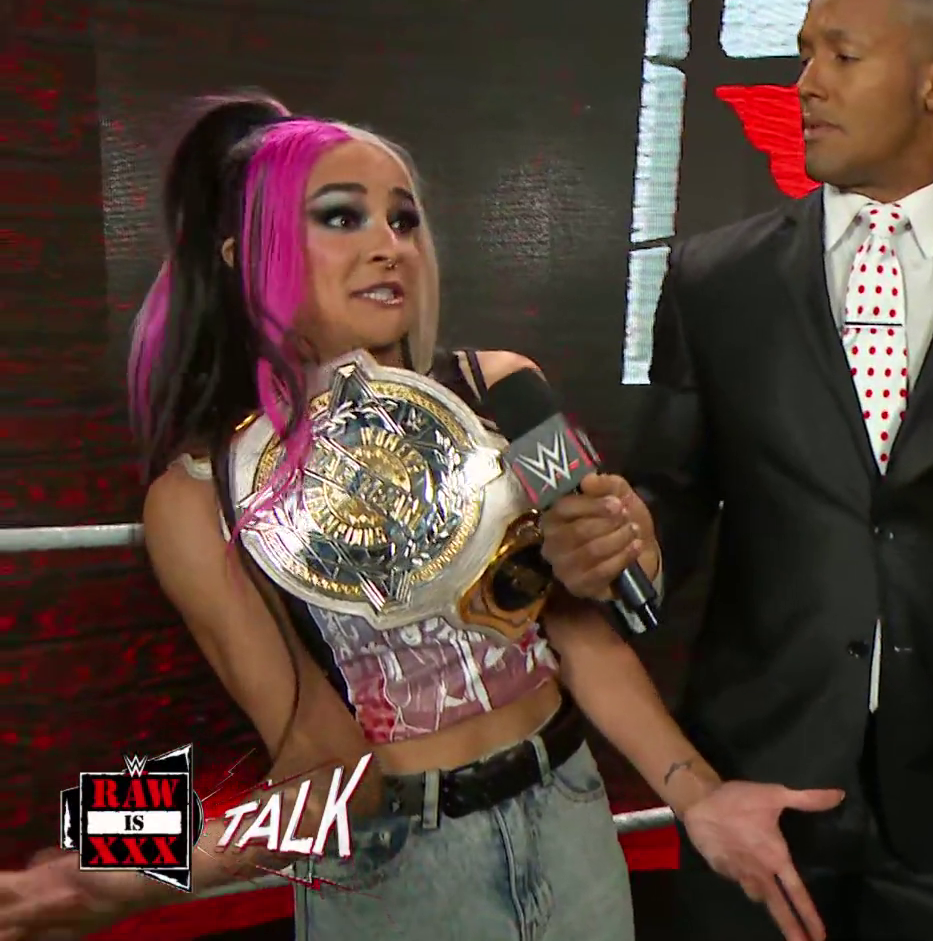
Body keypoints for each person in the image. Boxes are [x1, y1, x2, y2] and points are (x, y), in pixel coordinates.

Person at [0, 96, 701, 940]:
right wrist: (124, 855)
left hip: (573, 823)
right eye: (341, 216)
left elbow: (593, 629)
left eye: (403, 220)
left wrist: (704, 797)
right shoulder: (198, 497)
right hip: (392, 876)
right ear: (246, 257)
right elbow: (322, 767)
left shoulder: (508, 391)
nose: (388, 244)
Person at [538, 0, 933, 941]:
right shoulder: (716, 280)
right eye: (804, 55)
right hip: (756, 782)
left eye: (841, 56)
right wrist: (628, 544)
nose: (805, 84)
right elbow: (674, 498)